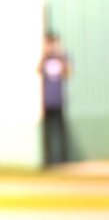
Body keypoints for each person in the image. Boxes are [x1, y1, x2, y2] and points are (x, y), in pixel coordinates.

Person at [39, 30, 70, 165]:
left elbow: (67, 73)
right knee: (48, 132)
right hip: (47, 101)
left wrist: (60, 55)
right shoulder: (45, 58)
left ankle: (63, 158)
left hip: (59, 99)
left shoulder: (61, 58)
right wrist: (46, 54)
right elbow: (38, 70)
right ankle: (49, 160)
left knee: (61, 131)